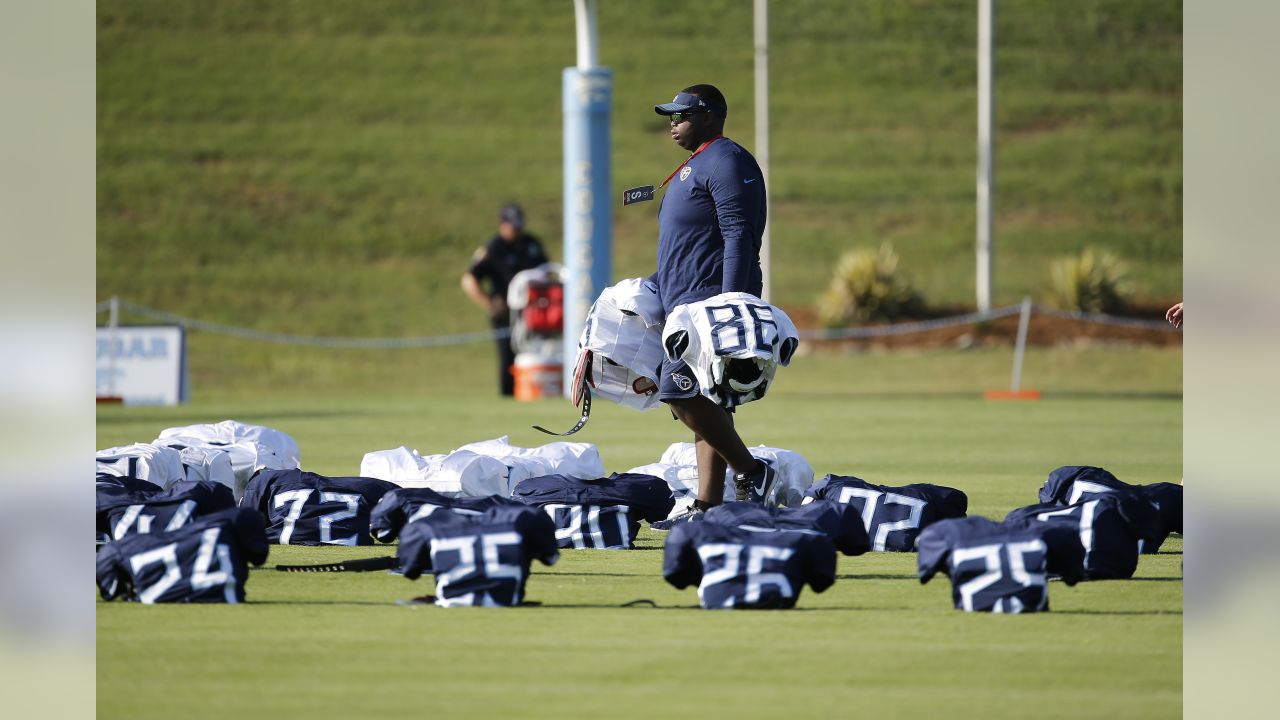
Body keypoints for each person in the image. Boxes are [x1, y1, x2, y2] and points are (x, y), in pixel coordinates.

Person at [646, 84, 777, 527]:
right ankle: (708, 505)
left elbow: (740, 233)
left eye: (680, 114)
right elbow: (683, 243)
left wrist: (732, 300)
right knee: (708, 400)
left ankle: (752, 471)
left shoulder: (727, 159)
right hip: (682, 299)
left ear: (707, 115)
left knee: (680, 393)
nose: (672, 122)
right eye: (669, 116)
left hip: (711, 302)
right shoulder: (695, 164)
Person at [461, 202, 549, 396]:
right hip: (505, 313)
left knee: (535, 354)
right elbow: (469, 280)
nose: (516, 229)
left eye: (519, 225)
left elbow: (547, 272)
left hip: (534, 312)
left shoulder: (531, 243)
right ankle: (509, 397)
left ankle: (533, 393)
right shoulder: (493, 248)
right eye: (512, 225)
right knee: (507, 357)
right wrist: (489, 303)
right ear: (502, 224)